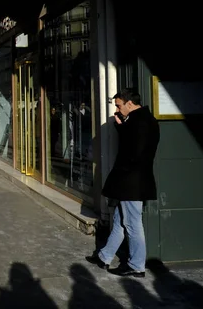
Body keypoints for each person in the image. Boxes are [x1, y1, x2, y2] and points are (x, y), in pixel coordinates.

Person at [85, 89, 160, 277]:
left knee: (133, 224)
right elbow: (133, 146)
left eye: (119, 105)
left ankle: (136, 265)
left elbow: (133, 152)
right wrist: (122, 127)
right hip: (132, 181)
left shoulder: (138, 121)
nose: (117, 109)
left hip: (131, 182)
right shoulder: (144, 120)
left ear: (129, 103)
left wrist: (122, 128)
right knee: (119, 220)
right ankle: (105, 256)